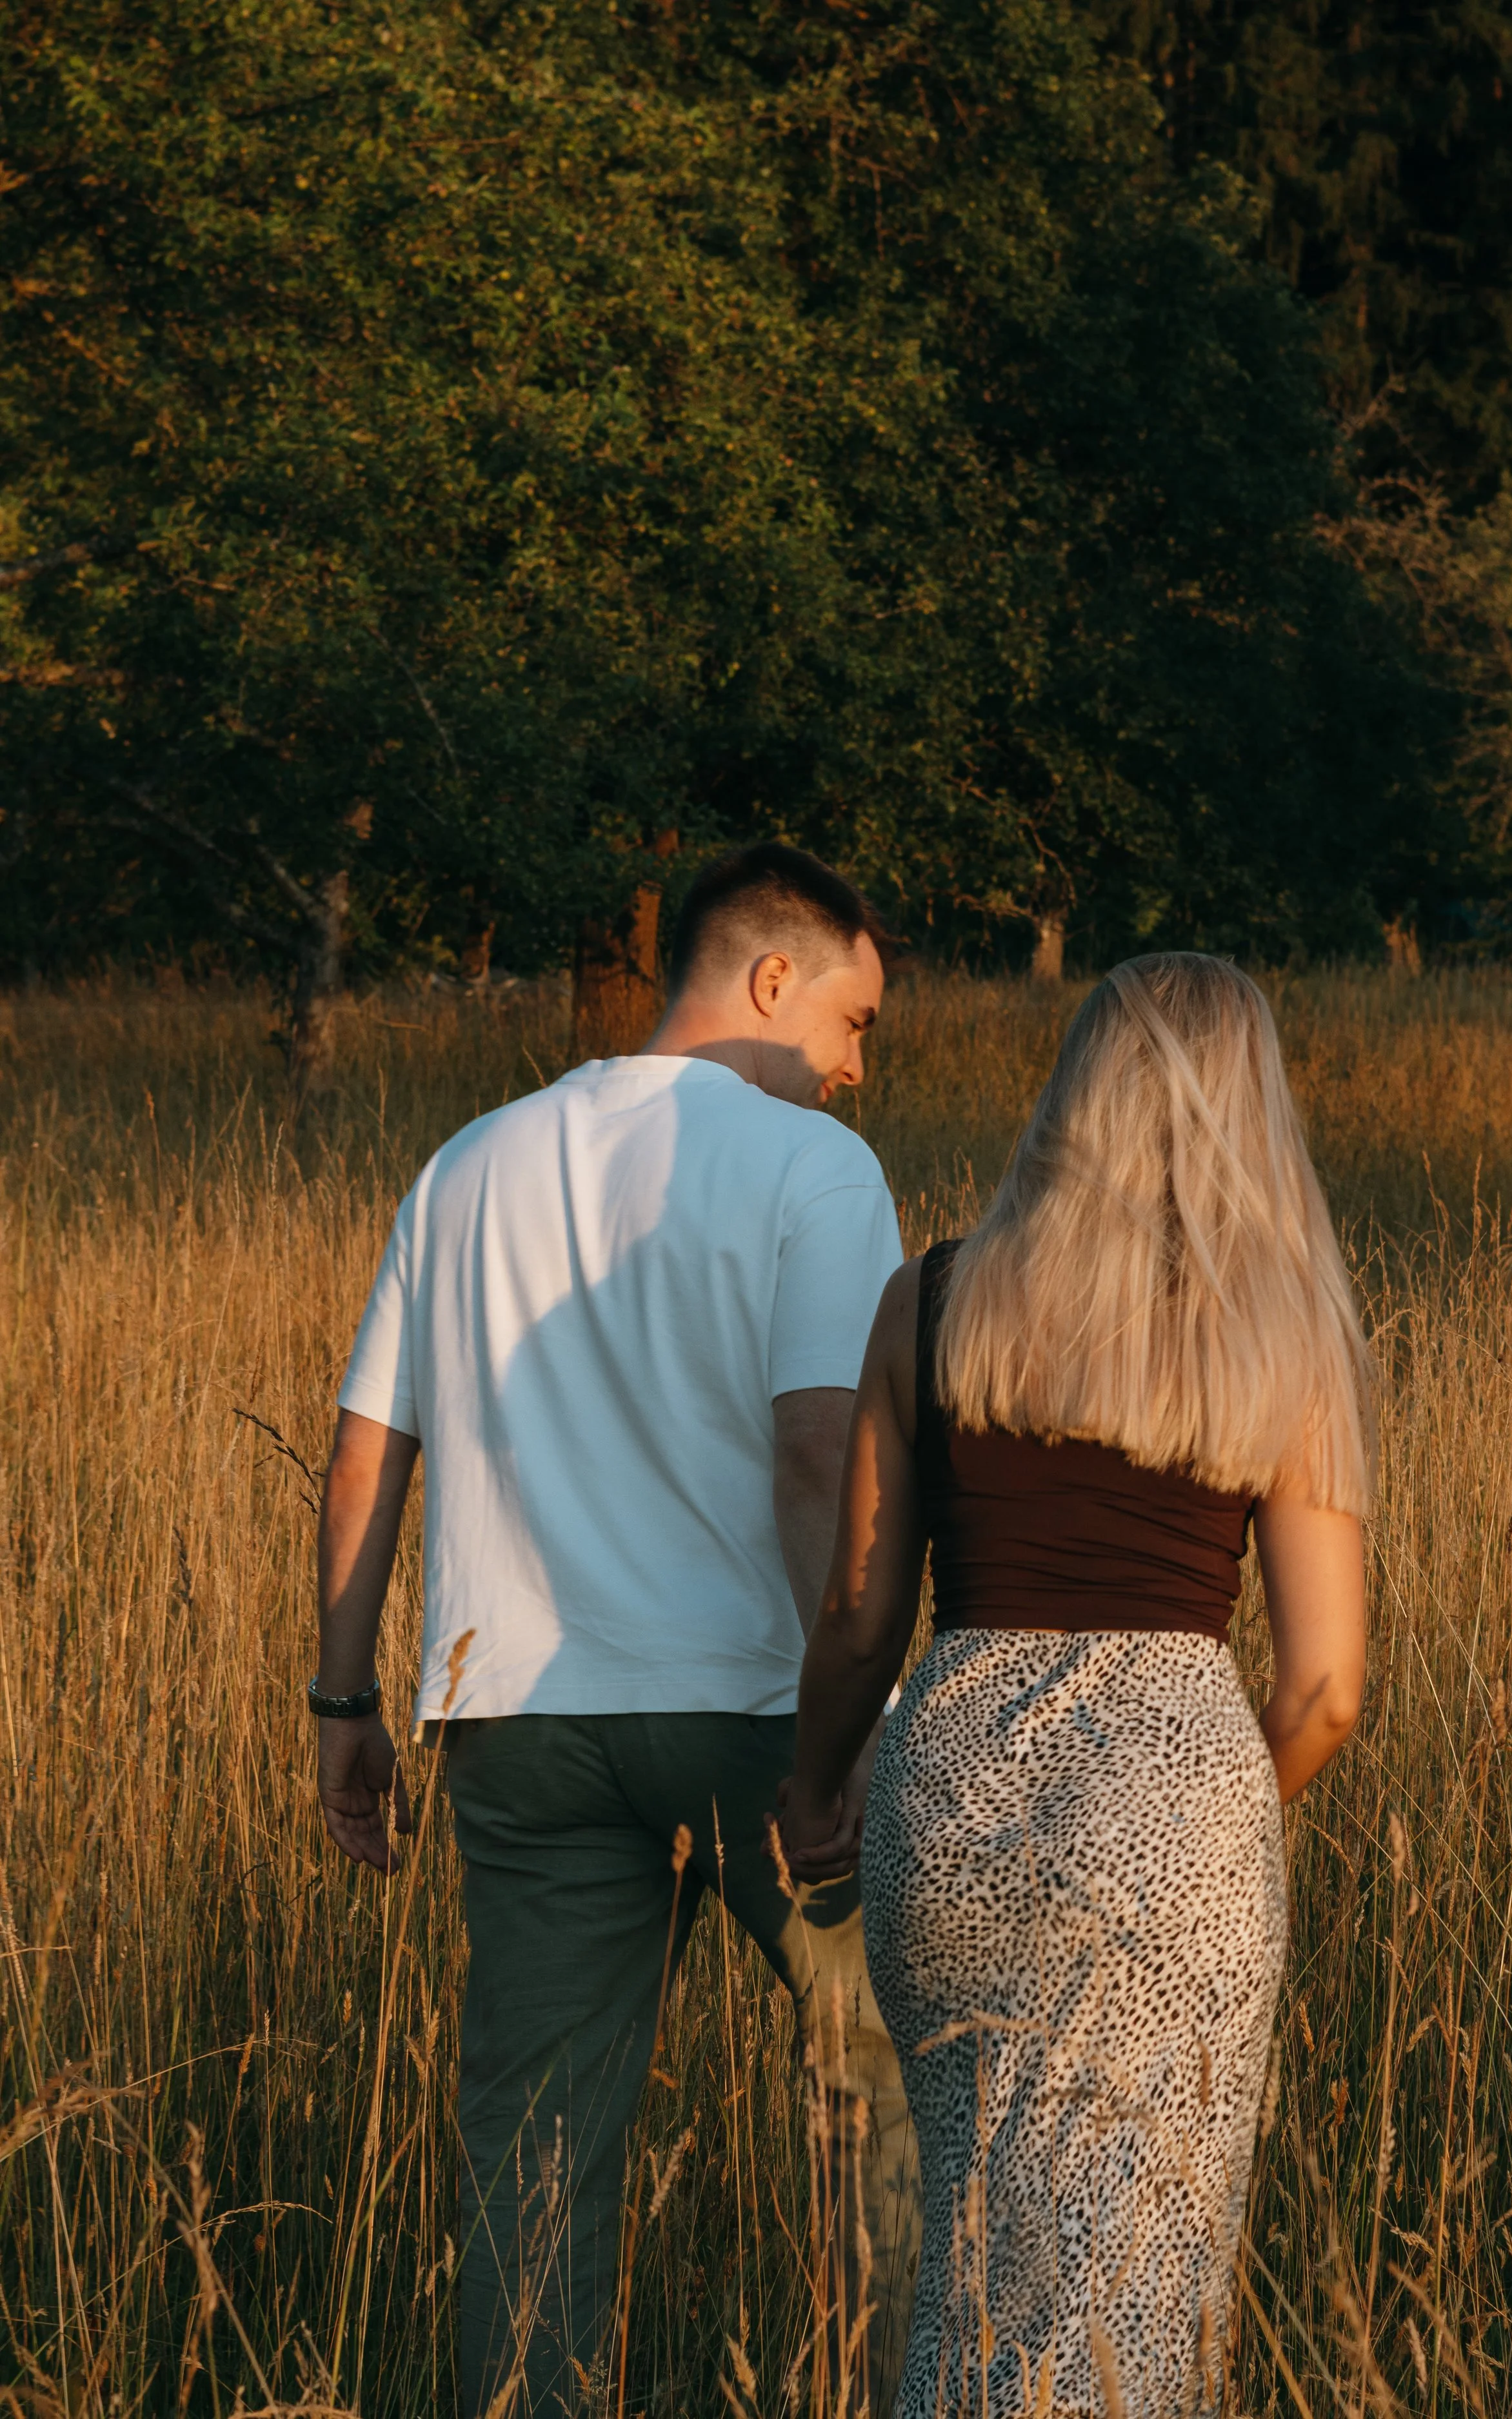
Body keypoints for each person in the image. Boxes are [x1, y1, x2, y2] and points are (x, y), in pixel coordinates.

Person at [312, 842, 920, 2418]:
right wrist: (854, 1721)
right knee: (882, 2094)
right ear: (771, 979)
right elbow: (817, 1453)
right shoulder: (813, 1171)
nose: (855, 1069)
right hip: (758, 1715)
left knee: (535, 2160)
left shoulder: (467, 1164)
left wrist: (342, 1700)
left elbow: (369, 1450)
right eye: (852, 1022)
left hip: (514, 1716)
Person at [779, 952, 1371, 2418]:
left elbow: (859, 1617)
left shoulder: (932, 1299)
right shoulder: (1289, 1327)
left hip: (953, 1807)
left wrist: (815, 1785)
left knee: (972, 2265)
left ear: (1072, 1096)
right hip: (1177, 1811)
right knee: (1139, 2288)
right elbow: (1324, 1690)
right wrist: (1200, 1822)